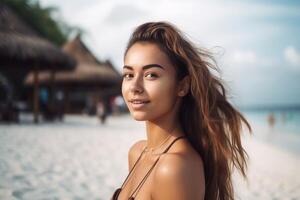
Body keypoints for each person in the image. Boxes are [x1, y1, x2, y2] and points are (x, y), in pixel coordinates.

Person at [111, 22, 252, 200]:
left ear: (182, 86)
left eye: (151, 75)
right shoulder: (137, 152)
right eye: (128, 75)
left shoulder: (175, 167)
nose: (135, 87)